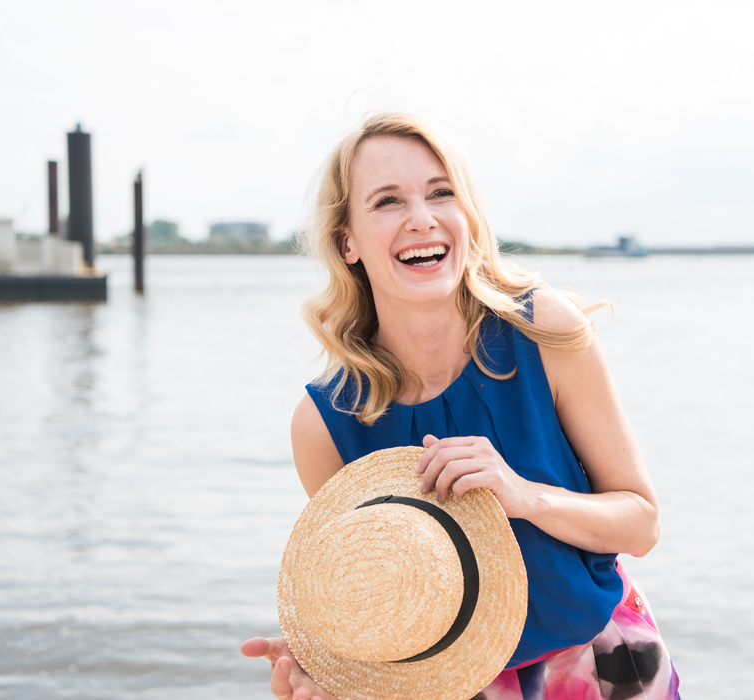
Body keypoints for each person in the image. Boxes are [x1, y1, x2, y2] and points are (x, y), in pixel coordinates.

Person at [241, 113, 681, 700]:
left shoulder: (543, 331)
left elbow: (642, 524)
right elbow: (375, 602)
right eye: (387, 201)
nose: (422, 218)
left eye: (440, 192)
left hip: (605, 665)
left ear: (467, 215)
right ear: (348, 242)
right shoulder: (326, 424)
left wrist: (526, 497)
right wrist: (326, 670)